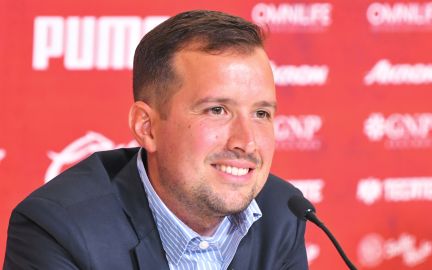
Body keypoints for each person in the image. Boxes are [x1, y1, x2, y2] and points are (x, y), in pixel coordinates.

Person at [4, 10, 308, 269]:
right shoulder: (59, 229)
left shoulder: (282, 212)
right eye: (217, 110)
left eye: (262, 114)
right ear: (146, 127)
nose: (247, 141)